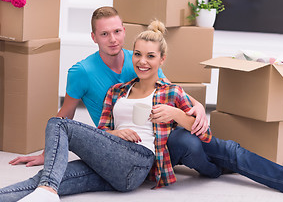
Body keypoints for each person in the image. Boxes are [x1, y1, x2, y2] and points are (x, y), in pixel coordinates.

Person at [0, 20, 212, 201]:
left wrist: (175, 114)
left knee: (58, 124)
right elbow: (102, 131)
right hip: (114, 168)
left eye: (150, 56)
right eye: (137, 54)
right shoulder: (116, 92)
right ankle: (44, 190)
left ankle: (47, 189)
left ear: (161, 59)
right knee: (46, 179)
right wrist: (115, 133)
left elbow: (204, 134)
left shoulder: (172, 92)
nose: (142, 61)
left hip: (139, 162)